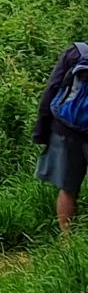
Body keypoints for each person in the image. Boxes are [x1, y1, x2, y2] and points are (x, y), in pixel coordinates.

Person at [34, 42, 88, 232]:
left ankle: (67, 240)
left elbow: (52, 88)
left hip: (67, 130)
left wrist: (41, 130)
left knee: (68, 189)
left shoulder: (77, 52)